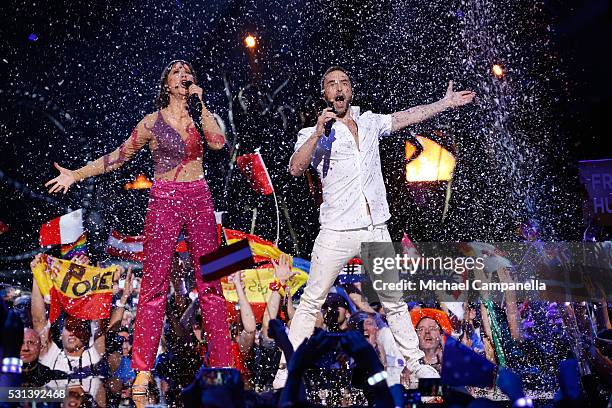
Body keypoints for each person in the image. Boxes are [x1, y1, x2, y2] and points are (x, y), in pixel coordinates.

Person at [275, 65, 475, 388]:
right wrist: (315, 133)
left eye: (343, 82)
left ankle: (417, 364)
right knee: (312, 298)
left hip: (373, 227)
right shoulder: (316, 132)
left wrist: (444, 104)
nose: (338, 88)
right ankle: (286, 370)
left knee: (394, 301)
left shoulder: (369, 122)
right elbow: (295, 168)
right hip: (336, 230)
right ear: (325, 93)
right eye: (331, 84)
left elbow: (405, 116)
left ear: (350, 90)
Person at [44, 60, 232, 394]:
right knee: (154, 284)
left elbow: (217, 144)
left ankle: (221, 364)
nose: (184, 75)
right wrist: (76, 174)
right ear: (166, 84)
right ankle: (143, 369)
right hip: (164, 199)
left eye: (188, 71)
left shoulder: (202, 115)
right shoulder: (151, 122)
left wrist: (201, 106)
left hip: (200, 197)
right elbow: (117, 156)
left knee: (211, 283)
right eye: (176, 72)